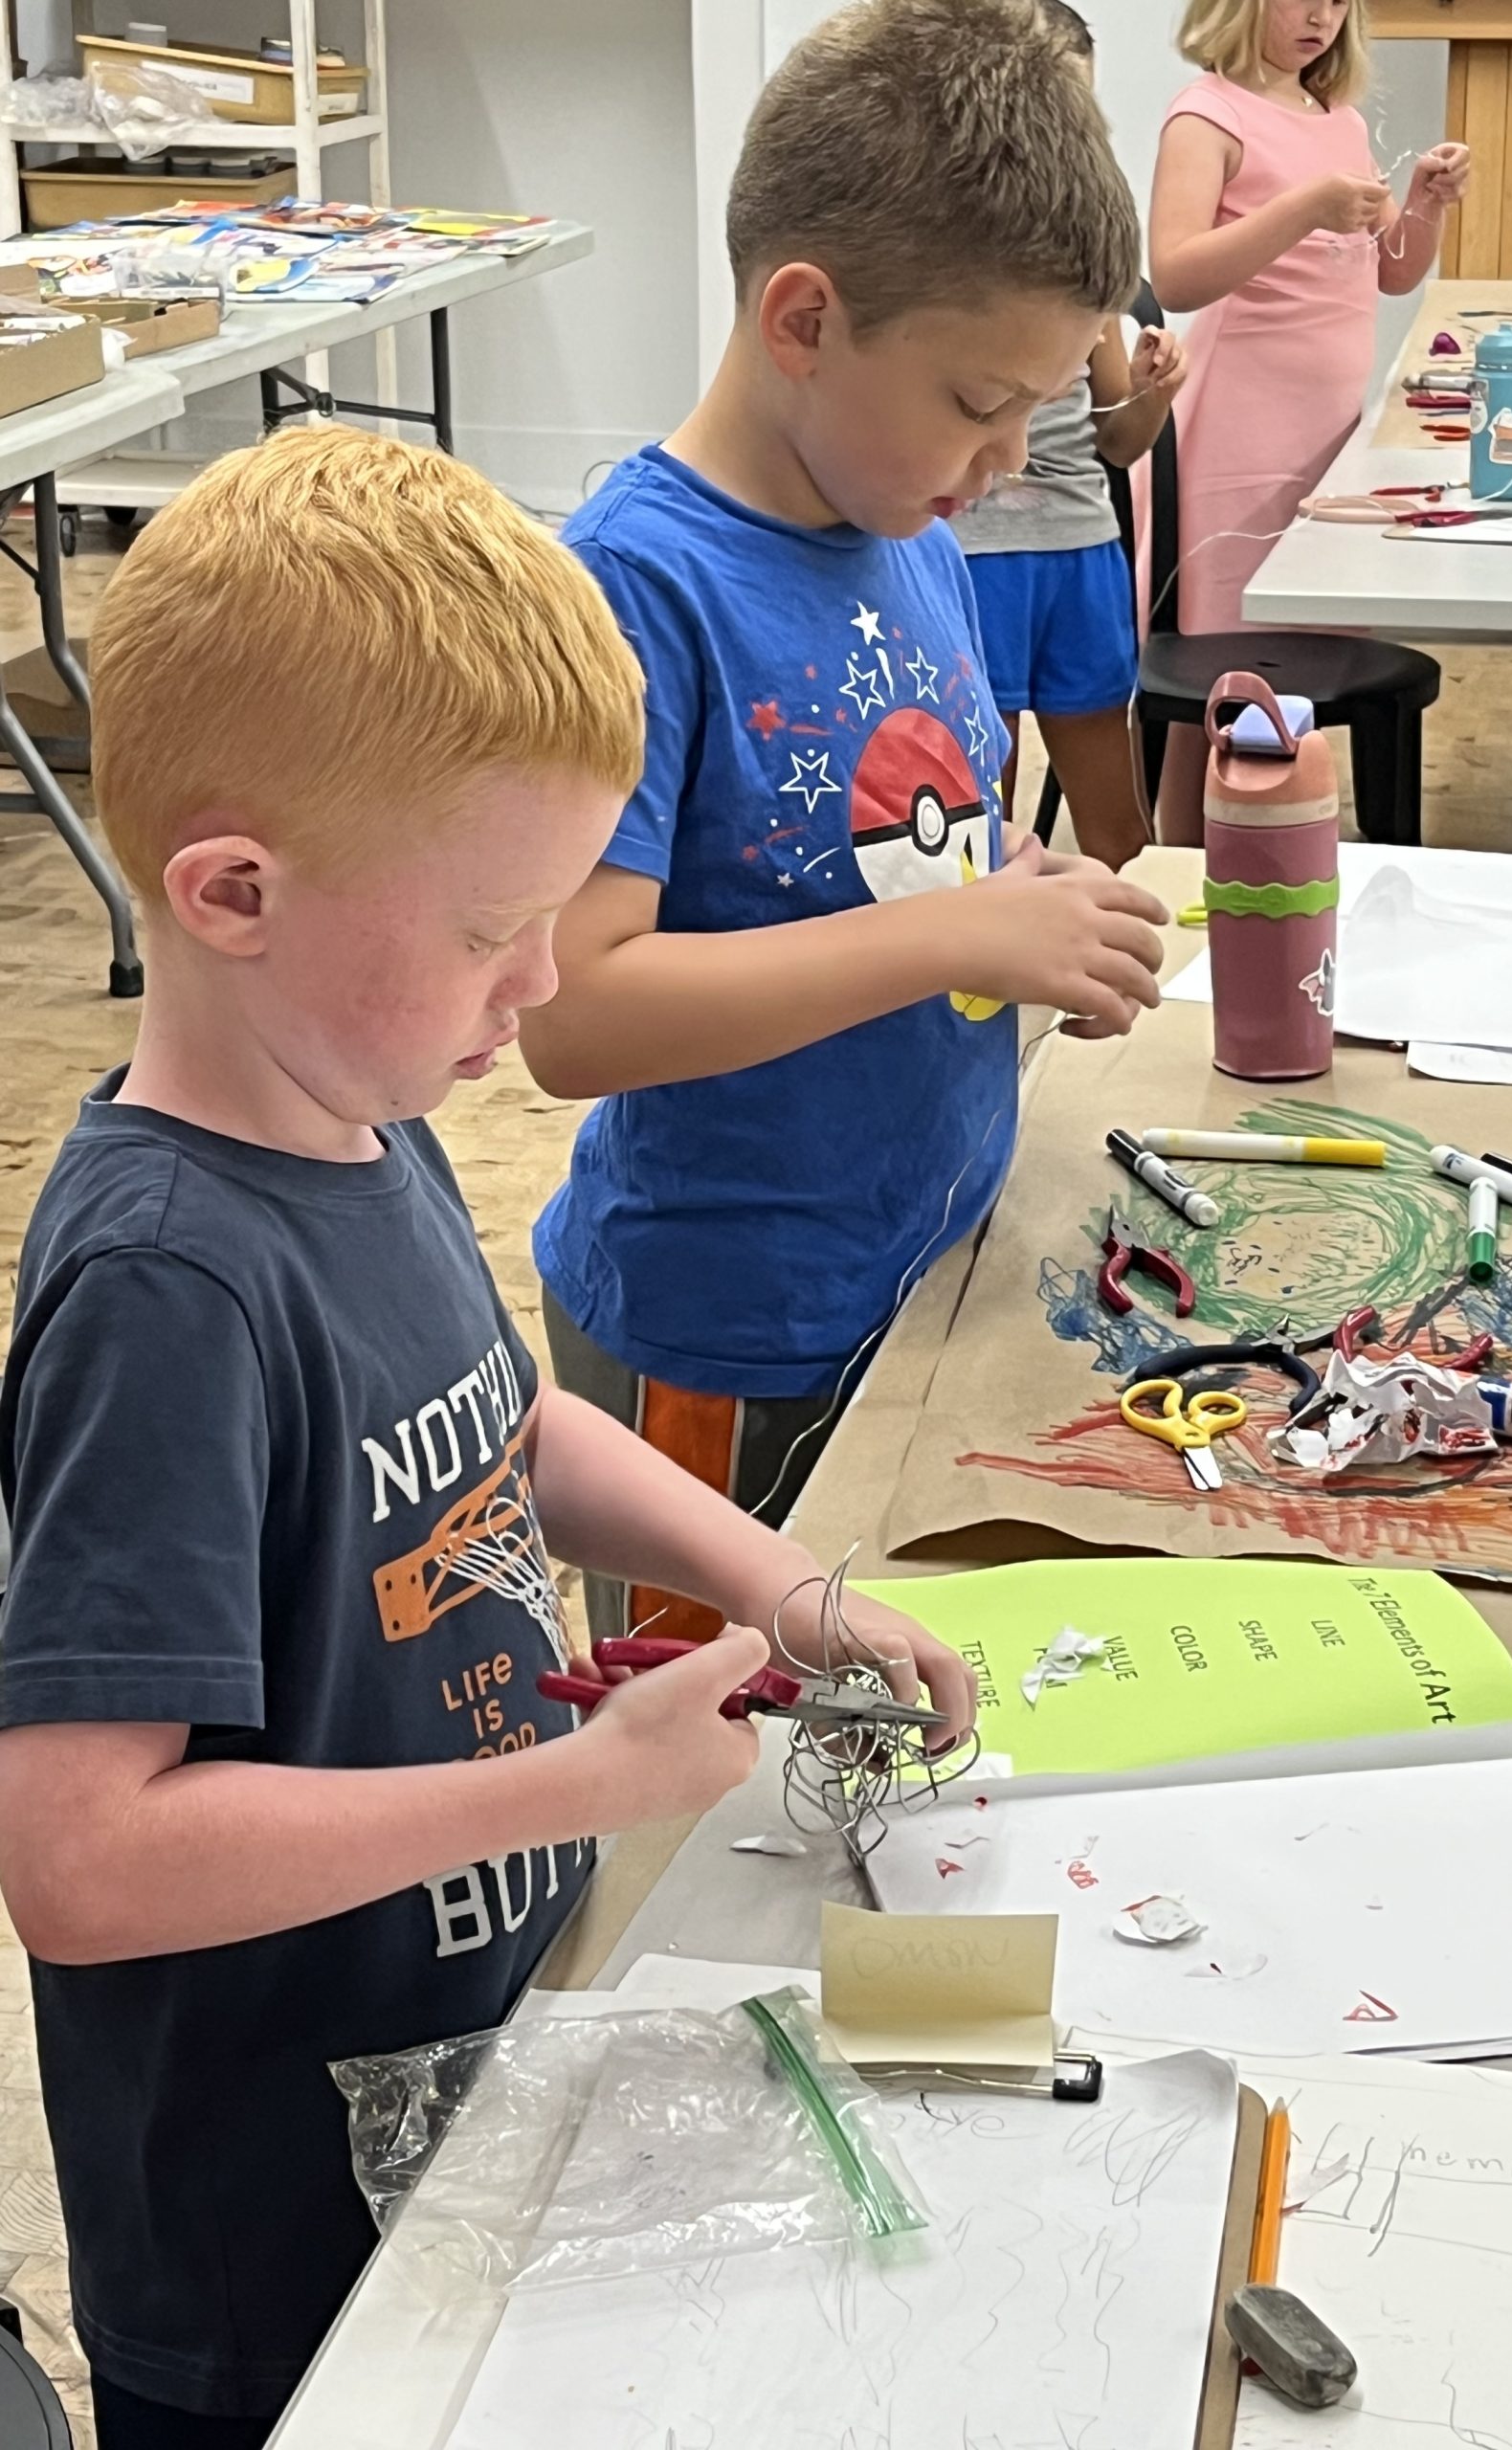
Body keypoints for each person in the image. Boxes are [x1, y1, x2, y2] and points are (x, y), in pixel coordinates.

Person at [0, 426, 975, 2450]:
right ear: (234, 893)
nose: (538, 986)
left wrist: (777, 1574)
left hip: (473, 2071)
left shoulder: (368, 1106)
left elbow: (503, 1421)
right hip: (272, 2238)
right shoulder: (169, 1288)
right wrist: (570, 1778)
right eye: (486, 931)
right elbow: (78, 1860)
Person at [524, 0, 1169, 1639]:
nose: (1009, 454)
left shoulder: (910, 519)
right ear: (803, 317)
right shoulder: (636, 584)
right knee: (728, 1784)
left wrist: (1012, 896)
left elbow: (889, 854)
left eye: (1036, 408)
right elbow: (575, 1011)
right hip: (724, 1345)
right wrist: (950, 931)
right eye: (977, 400)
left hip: (909, 1269)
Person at [1147, 0, 1471, 838]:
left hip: (1322, 444)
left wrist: (1424, 203)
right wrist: (1308, 207)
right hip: (1234, 444)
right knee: (1219, 677)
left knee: (1305, 660)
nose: (1322, 17)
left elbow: (1390, 273)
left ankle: (1277, 848)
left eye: (1339, 1)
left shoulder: (1340, 122)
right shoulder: (1206, 115)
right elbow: (1176, 275)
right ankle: (1193, 864)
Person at [949, 2, 1190, 871]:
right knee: (986, 823)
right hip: (972, 558)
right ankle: (985, 997)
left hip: (1081, 555)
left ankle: (1147, 998)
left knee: (1121, 831)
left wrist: (1157, 397)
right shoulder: (945, 250)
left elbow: (1117, 443)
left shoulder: (1098, 257)